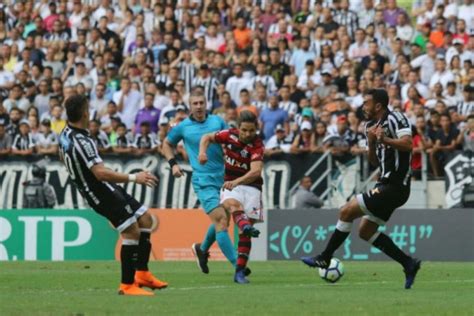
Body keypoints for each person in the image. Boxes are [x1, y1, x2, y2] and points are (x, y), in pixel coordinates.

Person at [301, 89, 421, 289]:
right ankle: (409, 263)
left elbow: (408, 145)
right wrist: (373, 143)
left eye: (366, 103)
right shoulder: (370, 127)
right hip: (384, 184)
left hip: (396, 185)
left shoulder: (396, 118)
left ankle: (325, 257)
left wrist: (386, 140)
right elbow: (374, 161)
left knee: (346, 211)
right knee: (366, 231)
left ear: (378, 105)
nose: (362, 106)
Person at [59, 95, 167, 296]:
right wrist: (135, 178)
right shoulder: (83, 140)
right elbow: (100, 173)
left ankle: (142, 273)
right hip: (99, 191)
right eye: (88, 107)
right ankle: (127, 285)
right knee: (131, 231)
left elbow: (63, 157)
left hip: (105, 186)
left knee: (145, 219)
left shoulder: (65, 133)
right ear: (85, 113)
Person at [161, 91, 238, 274]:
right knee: (221, 220)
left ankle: (202, 250)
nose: (198, 106)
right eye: (195, 103)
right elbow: (166, 144)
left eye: (201, 102)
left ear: (206, 103)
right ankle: (238, 265)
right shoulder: (183, 126)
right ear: (190, 105)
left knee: (223, 219)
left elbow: (230, 139)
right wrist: (173, 164)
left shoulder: (217, 121)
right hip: (203, 179)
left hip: (223, 176)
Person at [198, 111, 263, 284]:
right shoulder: (228, 135)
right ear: (238, 128)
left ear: (256, 129)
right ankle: (246, 227)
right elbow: (206, 137)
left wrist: (237, 181)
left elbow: (255, 171)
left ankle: (239, 272)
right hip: (230, 184)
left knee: (243, 234)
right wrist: (202, 153)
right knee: (232, 205)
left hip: (252, 188)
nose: (248, 134)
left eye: (251, 130)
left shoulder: (257, 144)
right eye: (244, 130)